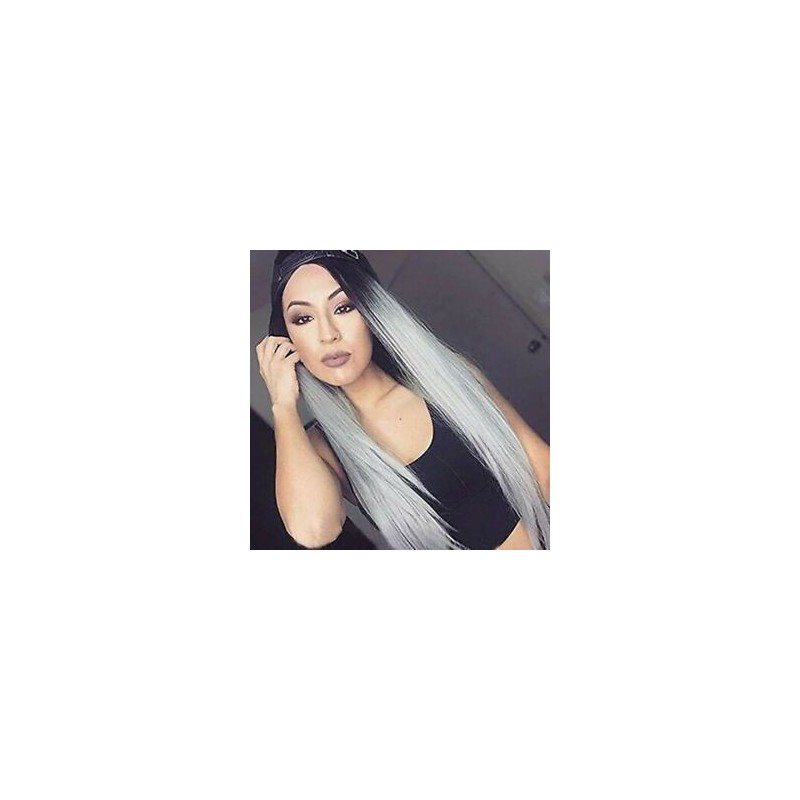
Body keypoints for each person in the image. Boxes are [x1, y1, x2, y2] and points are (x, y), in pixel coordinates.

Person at [255, 250, 550, 550]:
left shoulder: (447, 379)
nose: (327, 334)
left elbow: (543, 466)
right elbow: (314, 530)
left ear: (371, 311)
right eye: (303, 318)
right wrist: (283, 406)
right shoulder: (321, 448)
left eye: (344, 307)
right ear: (287, 339)